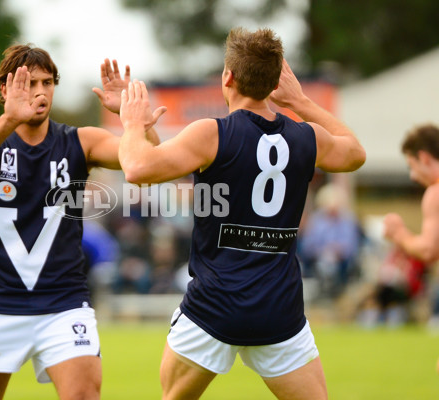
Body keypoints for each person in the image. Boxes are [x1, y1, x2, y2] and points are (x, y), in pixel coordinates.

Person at [118, 27, 366, 400]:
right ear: (273, 83)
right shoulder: (305, 137)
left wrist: (133, 124)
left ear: (228, 77)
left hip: (213, 308)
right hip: (279, 309)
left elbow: (137, 169)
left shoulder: (212, 133)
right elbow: (355, 153)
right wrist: (300, 102)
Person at [0, 44, 160, 400]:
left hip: (64, 305)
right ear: (5, 90)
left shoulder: (79, 141)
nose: (39, 91)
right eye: (28, 83)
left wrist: (134, 121)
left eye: (47, 82)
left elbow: (148, 160)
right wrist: (9, 120)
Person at [383, 123, 439, 373]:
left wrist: (399, 234)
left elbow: (429, 250)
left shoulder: (435, 193)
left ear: (424, 158)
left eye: (412, 166)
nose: (412, 176)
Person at [299, 183, 361, 297]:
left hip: (341, 261)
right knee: (323, 265)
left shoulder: (348, 220)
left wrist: (337, 250)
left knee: (332, 266)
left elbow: (352, 246)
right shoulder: (316, 220)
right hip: (317, 259)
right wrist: (322, 251)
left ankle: (335, 292)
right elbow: (307, 245)